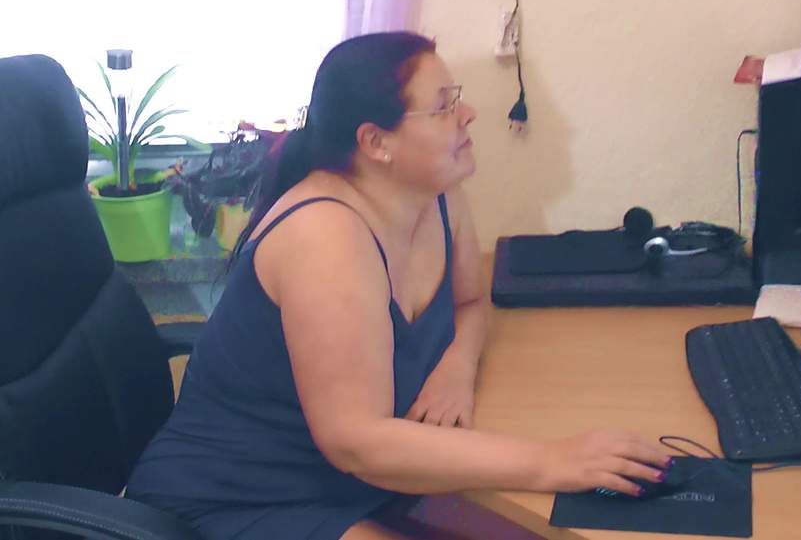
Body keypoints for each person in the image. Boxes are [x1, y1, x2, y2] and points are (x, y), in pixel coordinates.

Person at [125, 32, 671, 540]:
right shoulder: (326, 237)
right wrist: (550, 461)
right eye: (444, 105)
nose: (468, 114)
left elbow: (471, 301)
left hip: (355, 482)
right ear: (376, 142)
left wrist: (457, 366)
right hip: (234, 501)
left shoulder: (436, 193)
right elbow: (357, 443)